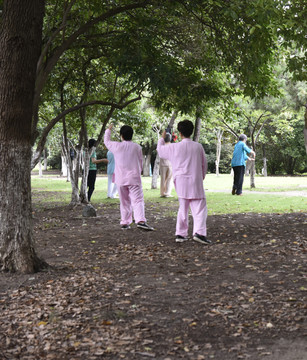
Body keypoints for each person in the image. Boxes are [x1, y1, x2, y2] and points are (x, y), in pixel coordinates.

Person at [157, 119, 211, 245]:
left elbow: (160, 150)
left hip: (180, 181)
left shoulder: (174, 147)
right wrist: (201, 177)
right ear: (191, 132)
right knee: (200, 208)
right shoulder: (198, 147)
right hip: (195, 180)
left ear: (180, 133)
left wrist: (162, 138)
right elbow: (204, 165)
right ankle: (199, 233)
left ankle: (181, 234)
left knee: (183, 207)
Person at [104, 124, 154, 231]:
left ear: (121, 135)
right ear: (132, 135)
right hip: (134, 178)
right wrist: (138, 172)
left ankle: (125, 222)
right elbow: (140, 162)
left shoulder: (117, 146)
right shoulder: (137, 147)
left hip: (121, 179)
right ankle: (140, 220)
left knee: (124, 201)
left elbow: (106, 142)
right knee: (138, 200)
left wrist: (108, 130)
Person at [159, 132, 173, 197]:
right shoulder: (172, 146)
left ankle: (162, 193)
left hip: (162, 164)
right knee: (169, 179)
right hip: (170, 164)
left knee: (163, 179)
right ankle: (167, 192)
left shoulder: (161, 146)